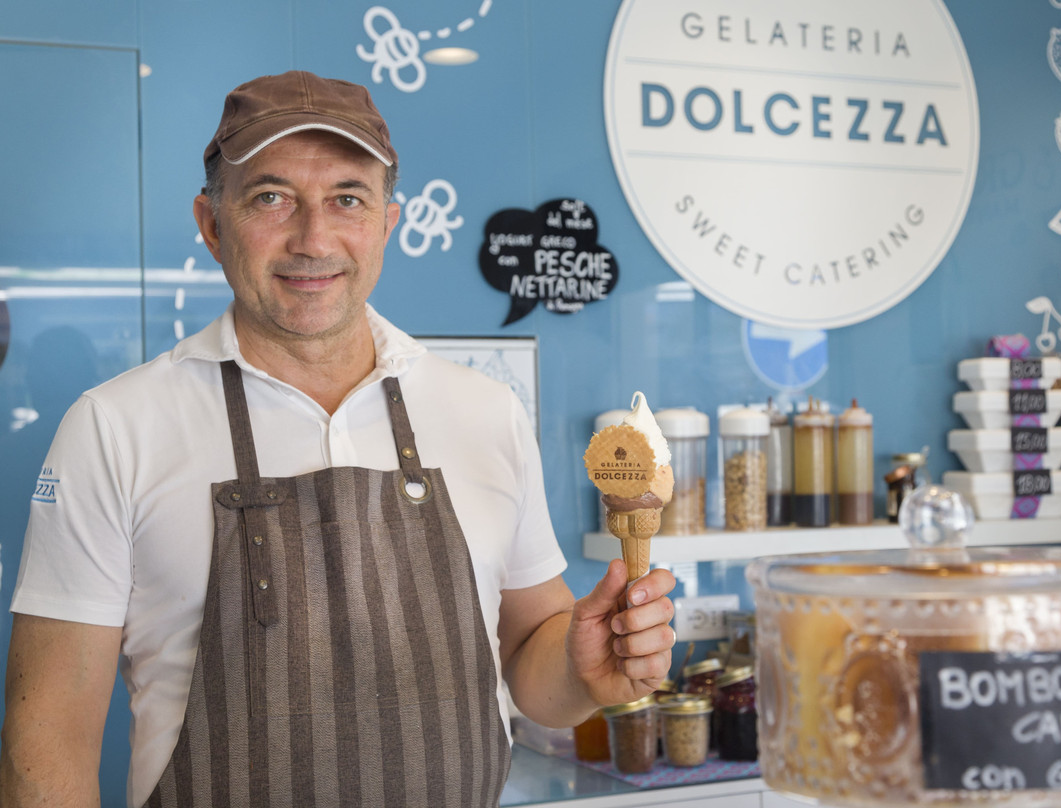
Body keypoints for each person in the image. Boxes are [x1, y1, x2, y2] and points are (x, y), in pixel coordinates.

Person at [0, 70, 676, 807]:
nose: (313, 239)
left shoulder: (486, 413)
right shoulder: (114, 428)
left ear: (387, 223)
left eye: (347, 199)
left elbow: (529, 663)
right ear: (212, 223)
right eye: (271, 197)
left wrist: (582, 669)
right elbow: (47, 744)